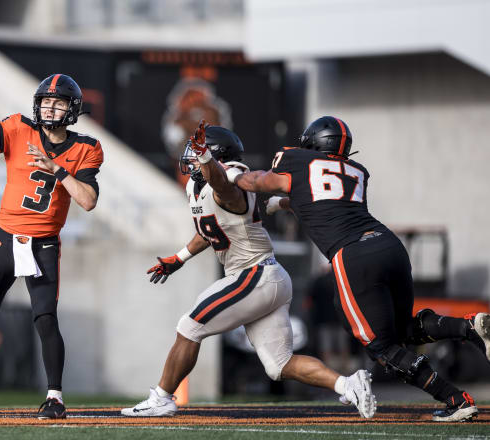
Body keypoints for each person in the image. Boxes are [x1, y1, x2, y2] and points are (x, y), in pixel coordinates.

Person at [233, 115, 490, 422]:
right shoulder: (357, 171)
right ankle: (468, 326)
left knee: (382, 348)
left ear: (314, 142)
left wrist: (232, 174)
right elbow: (324, 200)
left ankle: (455, 399)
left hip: (354, 256)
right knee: (402, 331)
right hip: (390, 245)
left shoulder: (297, 160)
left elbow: (257, 181)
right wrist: (285, 202)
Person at [121, 121, 376, 418]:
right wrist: (178, 259)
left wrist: (206, 159)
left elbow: (223, 187)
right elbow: (210, 231)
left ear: (214, 155)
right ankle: (348, 385)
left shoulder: (229, 180)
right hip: (267, 277)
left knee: (190, 326)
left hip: (253, 275)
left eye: (199, 151)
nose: (191, 156)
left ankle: (162, 398)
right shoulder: (198, 185)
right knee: (279, 365)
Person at [0, 45, 104, 419]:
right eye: (45, 101)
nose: (49, 108)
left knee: (45, 318)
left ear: (72, 110)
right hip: (5, 237)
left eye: (58, 103)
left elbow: (90, 201)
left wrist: (58, 170)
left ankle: (55, 398)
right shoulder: (17, 128)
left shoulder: (86, 149)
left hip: (44, 243)